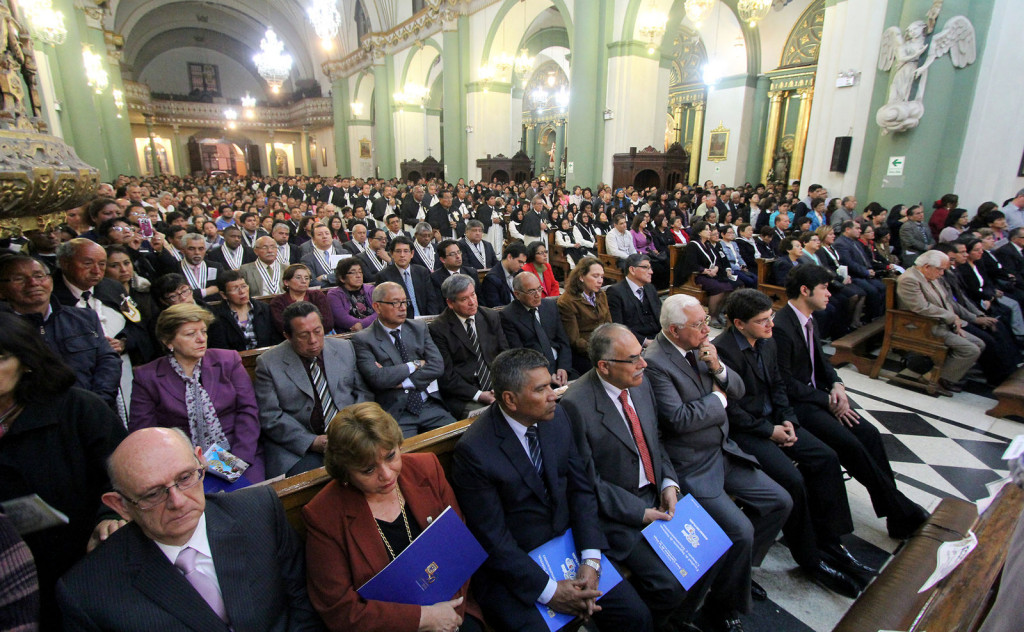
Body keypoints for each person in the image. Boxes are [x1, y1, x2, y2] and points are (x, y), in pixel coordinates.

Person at [451, 349, 654, 632]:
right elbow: (493, 538)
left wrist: (591, 560)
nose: (553, 394)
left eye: (550, 384)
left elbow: (582, 491)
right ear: (510, 399)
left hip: (569, 547)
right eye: (541, 389)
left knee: (636, 617)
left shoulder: (558, 417)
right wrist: (551, 592)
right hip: (519, 566)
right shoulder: (474, 451)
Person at [56, 427, 323, 631]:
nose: (178, 501)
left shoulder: (258, 511)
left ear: (201, 462)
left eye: (185, 478)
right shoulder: (87, 594)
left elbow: (303, 608)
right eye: (152, 495)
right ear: (120, 505)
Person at [642, 295, 792, 631]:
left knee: (779, 501)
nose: (706, 328)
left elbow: (737, 389)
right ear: (674, 330)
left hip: (723, 450)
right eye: (698, 324)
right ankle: (719, 608)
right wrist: (718, 399)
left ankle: (733, 574)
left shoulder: (702, 345)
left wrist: (718, 369)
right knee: (740, 531)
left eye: (705, 319)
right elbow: (679, 419)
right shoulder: (656, 363)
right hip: (692, 464)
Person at [713, 290, 869, 598]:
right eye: (762, 321)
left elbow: (779, 386)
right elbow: (731, 409)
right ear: (739, 324)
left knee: (825, 457)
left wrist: (788, 420)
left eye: (771, 317)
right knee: (793, 480)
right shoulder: (723, 351)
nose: (771, 325)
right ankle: (809, 557)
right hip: (747, 431)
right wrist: (771, 431)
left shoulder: (768, 342)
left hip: (777, 421)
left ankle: (830, 539)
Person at [559, 324, 708, 629]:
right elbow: (587, 483)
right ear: (604, 366)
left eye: (641, 355)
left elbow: (654, 441)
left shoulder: (640, 383)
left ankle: (673, 620)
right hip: (619, 513)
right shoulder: (576, 406)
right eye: (634, 359)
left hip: (656, 494)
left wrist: (668, 482)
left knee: (708, 556)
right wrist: (639, 512)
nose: (644, 364)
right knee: (669, 585)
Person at [774, 265, 929, 539]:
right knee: (849, 445)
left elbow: (821, 362)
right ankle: (899, 509)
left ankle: (895, 513)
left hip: (819, 396)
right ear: (804, 290)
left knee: (869, 434)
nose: (829, 294)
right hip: (799, 405)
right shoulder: (782, 326)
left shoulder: (810, 319)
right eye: (824, 288)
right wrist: (827, 401)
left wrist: (837, 385)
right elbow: (786, 383)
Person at [302, 402, 483, 632]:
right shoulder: (323, 515)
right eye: (368, 470)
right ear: (344, 472)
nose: (387, 475)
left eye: (391, 456)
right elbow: (340, 610)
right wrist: (423, 619)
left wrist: (450, 612)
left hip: (453, 606)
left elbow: (460, 547)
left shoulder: (426, 467)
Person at [0, 314, 126, 631]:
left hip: (83, 561)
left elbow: (125, 473)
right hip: (11, 577)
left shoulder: (77, 409)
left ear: (26, 362)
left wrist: (108, 517)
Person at [130, 303, 264, 482]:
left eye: (203, 331)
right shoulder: (148, 377)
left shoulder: (227, 361)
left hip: (238, 451)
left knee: (247, 498)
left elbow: (248, 412)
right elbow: (145, 433)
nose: (201, 339)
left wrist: (235, 463)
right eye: (190, 334)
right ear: (168, 341)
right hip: (183, 463)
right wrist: (190, 465)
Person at [255, 300, 371, 477]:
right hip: (301, 444)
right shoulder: (269, 363)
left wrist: (353, 428)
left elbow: (362, 392)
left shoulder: (345, 348)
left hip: (350, 433)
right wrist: (312, 441)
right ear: (287, 335)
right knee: (318, 481)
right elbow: (271, 416)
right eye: (303, 335)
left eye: (318, 331)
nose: (314, 341)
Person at [0, 254, 122, 408]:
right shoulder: (5, 330)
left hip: (92, 410)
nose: (33, 283)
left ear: (50, 281)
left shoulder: (83, 317)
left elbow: (107, 360)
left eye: (39, 275)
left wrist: (96, 403)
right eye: (19, 279)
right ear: (2, 290)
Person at [351, 282, 455, 437]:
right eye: (395, 303)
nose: (402, 307)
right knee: (402, 455)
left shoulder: (418, 327)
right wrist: (415, 364)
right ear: (377, 307)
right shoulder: (363, 339)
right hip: (395, 413)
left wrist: (405, 382)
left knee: (459, 439)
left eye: (404, 302)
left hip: (429, 404)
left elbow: (437, 366)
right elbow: (378, 378)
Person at [896, 250, 988, 391]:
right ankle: (933, 378)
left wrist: (955, 319)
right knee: (970, 350)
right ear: (927, 266)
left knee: (979, 343)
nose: (942, 274)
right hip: (922, 326)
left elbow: (946, 301)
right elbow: (921, 308)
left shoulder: (931, 277)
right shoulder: (909, 279)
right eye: (940, 270)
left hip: (940, 323)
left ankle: (945, 375)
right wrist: (951, 318)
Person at [428, 274, 508, 418]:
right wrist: (479, 395)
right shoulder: (438, 328)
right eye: (464, 299)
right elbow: (447, 376)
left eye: (473, 295)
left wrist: (501, 385)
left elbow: (504, 355)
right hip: (465, 394)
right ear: (450, 303)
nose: (472, 302)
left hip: (497, 384)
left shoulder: (490, 316)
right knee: (492, 416)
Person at [500, 272, 574, 385]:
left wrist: (563, 368)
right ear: (517, 294)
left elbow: (563, 341)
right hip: (535, 372)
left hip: (561, 366)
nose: (537, 295)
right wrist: (548, 375)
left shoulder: (550, 306)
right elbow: (519, 355)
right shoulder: (508, 316)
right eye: (531, 291)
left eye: (539, 289)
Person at [557, 256, 610, 376]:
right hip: (585, 353)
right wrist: (600, 350)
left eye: (602, 276)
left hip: (606, 346)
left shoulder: (601, 295)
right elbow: (575, 340)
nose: (600, 281)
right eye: (595, 276)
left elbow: (609, 324)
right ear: (581, 277)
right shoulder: (567, 301)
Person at [675, 221, 734, 325]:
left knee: (728, 286)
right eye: (706, 230)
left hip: (711, 274)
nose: (709, 232)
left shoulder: (707, 244)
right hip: (698, 276)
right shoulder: (693, 245)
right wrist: (705, 271)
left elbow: (716, 259)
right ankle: (712, 316)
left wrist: (716, 268)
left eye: (709, 229)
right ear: (699, 232)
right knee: (718, 288)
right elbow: (691, 263)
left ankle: (718, 312)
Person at [207, 270, 282, 352]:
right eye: (235, 289)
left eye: (244, 286)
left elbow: (275, 339)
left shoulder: (264, 309)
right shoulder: (217, 316)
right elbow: (220, 348)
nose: (242, 292)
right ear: (224, 295)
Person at [376, 236, 443, 317]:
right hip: (401, 321)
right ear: (391, 254)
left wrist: (431, 319)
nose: (402, 255)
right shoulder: (384, 276)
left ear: (412, 254)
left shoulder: (422, 272)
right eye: (398, 251)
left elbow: (432, 299)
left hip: (425, 319)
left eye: (406, 251)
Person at [606, 253, 662, 347]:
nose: (651, 272)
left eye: (650, 268)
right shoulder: (615, 292)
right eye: (646, 267)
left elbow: (661, 315)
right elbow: (618, 327)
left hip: (658, 339)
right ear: (632, 270)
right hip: (634, 344)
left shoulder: (650, 288)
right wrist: (645, 342)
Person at [269, 263, 335, 335]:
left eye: (307, 278)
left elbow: (328, 323)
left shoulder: (317, 295)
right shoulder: (278, 302)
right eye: (298, 277)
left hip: (321, 336)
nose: (304, 281)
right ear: (286, 282)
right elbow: (282, 326)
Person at [326, 257, 377, 332]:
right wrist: (361, 325)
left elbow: (381, 312)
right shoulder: (334, 294)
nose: (358, 276)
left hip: (375, 330)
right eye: (353, 272)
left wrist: (362, 324)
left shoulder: (371, 290)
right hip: (349, 333)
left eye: (360, 272)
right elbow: (341, 319)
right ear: (342, 278)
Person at [480, 242, 527, 308]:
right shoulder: (491, 279)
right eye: (520, 262)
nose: (521, 265)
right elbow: (495, 308)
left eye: (523, 263)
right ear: (509, 257)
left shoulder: (520, 273)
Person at [301, 223, 347, 288]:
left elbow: (349, 277)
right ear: (313, 240)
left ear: (331, 237)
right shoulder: (307, 259)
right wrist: (339, 281)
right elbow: (312, 282)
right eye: (320, 234)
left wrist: (325, 277)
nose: (324, 236)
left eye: (327, 233)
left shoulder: (343, 253)